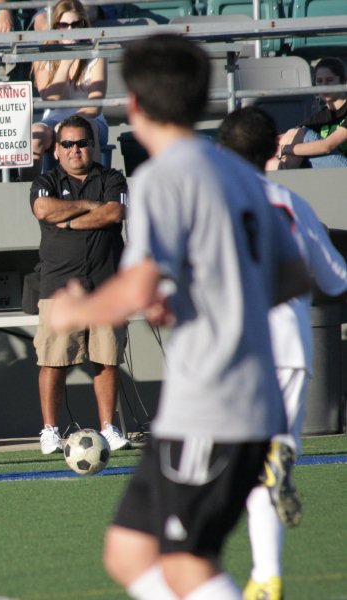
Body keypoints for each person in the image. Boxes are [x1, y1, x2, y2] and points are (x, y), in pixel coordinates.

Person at [45, 35, 310, 599]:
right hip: (215, 402)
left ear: (134, 105)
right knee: (128, 550)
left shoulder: (165, 177)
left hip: (214, 405)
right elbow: (292, 278)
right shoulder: (242, 177)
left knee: (185, 564)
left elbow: (138, 284)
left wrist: (79, 309)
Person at [218, 106, 347, 600]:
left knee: (227, 464)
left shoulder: (215, 204)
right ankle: (267, 577)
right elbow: (336, 278)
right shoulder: (293, 205)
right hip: (292, 349)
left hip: (238, 349)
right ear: (275, 150)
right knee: (268, 462)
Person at [29, 114, 130, 454]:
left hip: (106, 284)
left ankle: (108, 428)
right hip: (60, 287)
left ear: (94, 146)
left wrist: (69, 222)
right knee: (53, 361)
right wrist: (89, 206)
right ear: (56, 150)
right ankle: (49, 430)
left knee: (106, 360)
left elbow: (114, 213)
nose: (75, 150)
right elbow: (43, 209)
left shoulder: (112, 177)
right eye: (67, 144)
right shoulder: (46, 180)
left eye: (82, 143)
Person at [30, 0, 108, 174]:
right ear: (55, 26)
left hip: (91, 120)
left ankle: (93, 187)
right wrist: (65, 63)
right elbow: (50, 100)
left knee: (87, 129)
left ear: (84, 25)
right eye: (63, 25)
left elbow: (95, 106)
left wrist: (68, 125)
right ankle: (29, 189)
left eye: (75, 24)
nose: (70, 31)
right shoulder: (43, 54)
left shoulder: (96, 54)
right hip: (53, 120)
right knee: (35, 133)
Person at [272, 56, 347, 170]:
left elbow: (327, 146)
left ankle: (281, 178)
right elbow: (291, 135)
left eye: (329, 80)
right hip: (333, 172)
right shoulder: (323, 115)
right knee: (292, 134)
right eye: (319, 81)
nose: (323, 86)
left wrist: (284, 149)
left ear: (343, 81)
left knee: (301, 134)